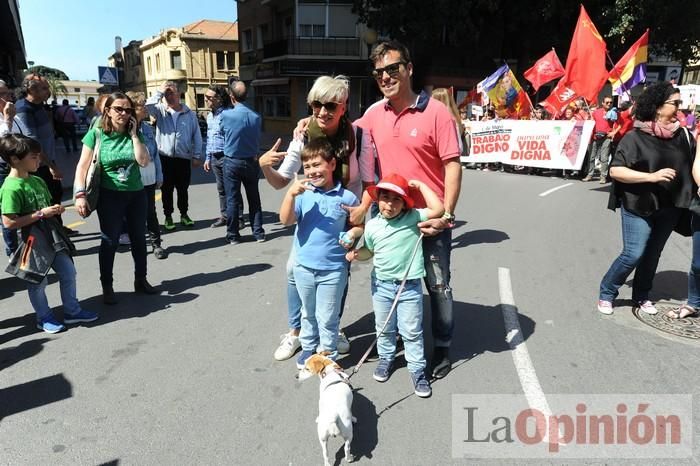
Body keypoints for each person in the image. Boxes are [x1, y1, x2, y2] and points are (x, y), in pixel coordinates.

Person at [351, 40, 462, 379]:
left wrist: (446, 216)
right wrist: (306, 124)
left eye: (392, 69)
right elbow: (341, 130)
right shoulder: (373, 114)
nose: (385, 77)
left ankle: (442, 347)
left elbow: (453, 166)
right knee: (387, 281)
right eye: (379, 72)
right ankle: (391, 345)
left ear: (408, 69)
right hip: (388, 217)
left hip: (428, 218)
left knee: (437, 284)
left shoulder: (437, 113)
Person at [259, 75, 372, 361]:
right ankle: (297, 332)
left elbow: (370, 181)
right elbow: (281, 180)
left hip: (346, 211)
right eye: (316, 104)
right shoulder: (304, 134)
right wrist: (264, 167)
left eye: (330, 105)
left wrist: (362, 211)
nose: (323, 111)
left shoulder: (359, 135)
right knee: (294, 270)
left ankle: (332, 330)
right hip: (314, 212)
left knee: (338, 274)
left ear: (343, 106)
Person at [597, 82, 694, 316]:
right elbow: (616, 171)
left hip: (670, 206)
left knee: (652, 254)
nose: (680, 109)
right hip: (638, 205)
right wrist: (651, 177)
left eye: (680, 104)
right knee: (634, 253)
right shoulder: (634, 137)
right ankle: (607, 292)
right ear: (658, 107)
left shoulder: (684, 136)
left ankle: (641, 296)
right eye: (675, 103)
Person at [346, 173, 443, 398]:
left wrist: (420, 185)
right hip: (381, 286)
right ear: (377, 199)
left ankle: (417, 370)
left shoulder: (412, 218)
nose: (389, 204)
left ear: (405, 203)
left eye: (396, 199)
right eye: (385, 197)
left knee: (411, 331)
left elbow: (437, 209)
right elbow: (370, 251)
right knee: (384, 328)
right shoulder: (372, 227)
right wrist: (356, 254)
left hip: (408, 287)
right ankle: (386, 358)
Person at [0, 134, 98, 333]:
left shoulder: (37, 180)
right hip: (29, 243)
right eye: (33, 157)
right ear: (15, 160)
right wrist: (40, 214)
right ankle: (43, 317)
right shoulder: (10, 187)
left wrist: (54, 210)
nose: (38, 160)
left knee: (68, 272)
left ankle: (72, 311)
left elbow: (45, 206)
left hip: (51, 237)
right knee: (38, 282)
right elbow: (9, 222)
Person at [279, 139, 362, 367]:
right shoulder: (303, 194)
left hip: (333, 270)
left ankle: (327, 354)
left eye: (317, 165)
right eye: (307, 167)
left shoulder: (347, 197)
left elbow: (359, 225)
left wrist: (353, 234)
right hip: (303, 267)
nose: (312, 171)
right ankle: (307, 347)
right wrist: (290, 195)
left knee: (327, 316)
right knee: (308, 312)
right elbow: (285, 220)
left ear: (332, 164)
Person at [74, 92, 159, 305]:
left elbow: (143, 161)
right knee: (110, 240)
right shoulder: (97, 134)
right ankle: (107, 285)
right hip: (109, 196)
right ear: (108, 111)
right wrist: (80, 194)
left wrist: (133, 135)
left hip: (137, 194)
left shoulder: (135, 132)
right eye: (118, 109)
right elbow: (82, 166)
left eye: (127, 110)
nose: (123, 113)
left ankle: (141, 279)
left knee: (139, 238)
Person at [14, 74, 72, 234]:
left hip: (47, 162)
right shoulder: (24, 109)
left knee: (55, 195)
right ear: (31, 89)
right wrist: (51, 166)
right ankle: (53, 235)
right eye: (44, 88)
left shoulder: (39, 106)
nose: (48, 91)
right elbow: (33, 144)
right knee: (47, 199)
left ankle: (58, 229)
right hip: (38, 165)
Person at [145, 81, 203, 230]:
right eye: (167, 93)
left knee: (183, 189)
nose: (170, 96)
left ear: (179, 94)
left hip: (183, 158)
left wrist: (197, 155)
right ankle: (168, 216)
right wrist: (159, 91)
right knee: (167, 189)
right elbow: (147, 107)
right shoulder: (160, 111)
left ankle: (184, 214)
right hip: (164, 158)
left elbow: (197, 135)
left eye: (172, 93)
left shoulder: (189, 114)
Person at [220, 81, 265, 244]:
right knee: (254, 197)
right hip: (251, 161)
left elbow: (222, 132)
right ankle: (258, 232)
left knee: (232, 199)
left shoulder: (225, 115)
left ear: (232, 96)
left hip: (232, 161)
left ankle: (233, 235)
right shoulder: (256, 116)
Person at [127, 91, 167, 260]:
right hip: (131, 179)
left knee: (150, 212)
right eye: (141, 105)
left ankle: (156, 244)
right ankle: (138, 244)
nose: (145, 108)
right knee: (133, 215)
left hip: (149, 178)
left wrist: (159, 175)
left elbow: (155, 153)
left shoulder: (148, 128)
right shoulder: (124, 130)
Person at [203, 85, 244, 229]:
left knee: (233, 188)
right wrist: (207, 158)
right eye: (205, 96)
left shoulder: (228, 115)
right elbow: (209, 138)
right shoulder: (209, 116)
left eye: (209, 97)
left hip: (227, 157)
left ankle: (238, 218)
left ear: (219, 99)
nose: (206, 99)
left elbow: (235, 138)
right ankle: (225, 216)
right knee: (221, 189)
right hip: (215, 158)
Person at [0, 79, 20, 255]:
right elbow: (3, 144)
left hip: (17, 165)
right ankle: (13, 252)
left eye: (8, 92)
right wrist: (7, 120)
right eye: (3, 94)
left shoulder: (13, 115)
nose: (8, 97)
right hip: (2, 169)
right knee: (8, 212)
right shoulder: (7, 118)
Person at [583, 96, 616, 183]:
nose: (609, 104)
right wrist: (589, 120)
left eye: (611, 102)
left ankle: (603, 176)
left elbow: (619, 124)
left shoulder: (614, 113)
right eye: (607, 102)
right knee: (591, 157)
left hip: (606, 138)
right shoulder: (596, 112)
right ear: (603, 103)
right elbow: (590, 122)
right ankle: (590, 175)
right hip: (595, 137)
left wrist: (613, 132)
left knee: (604, 158)